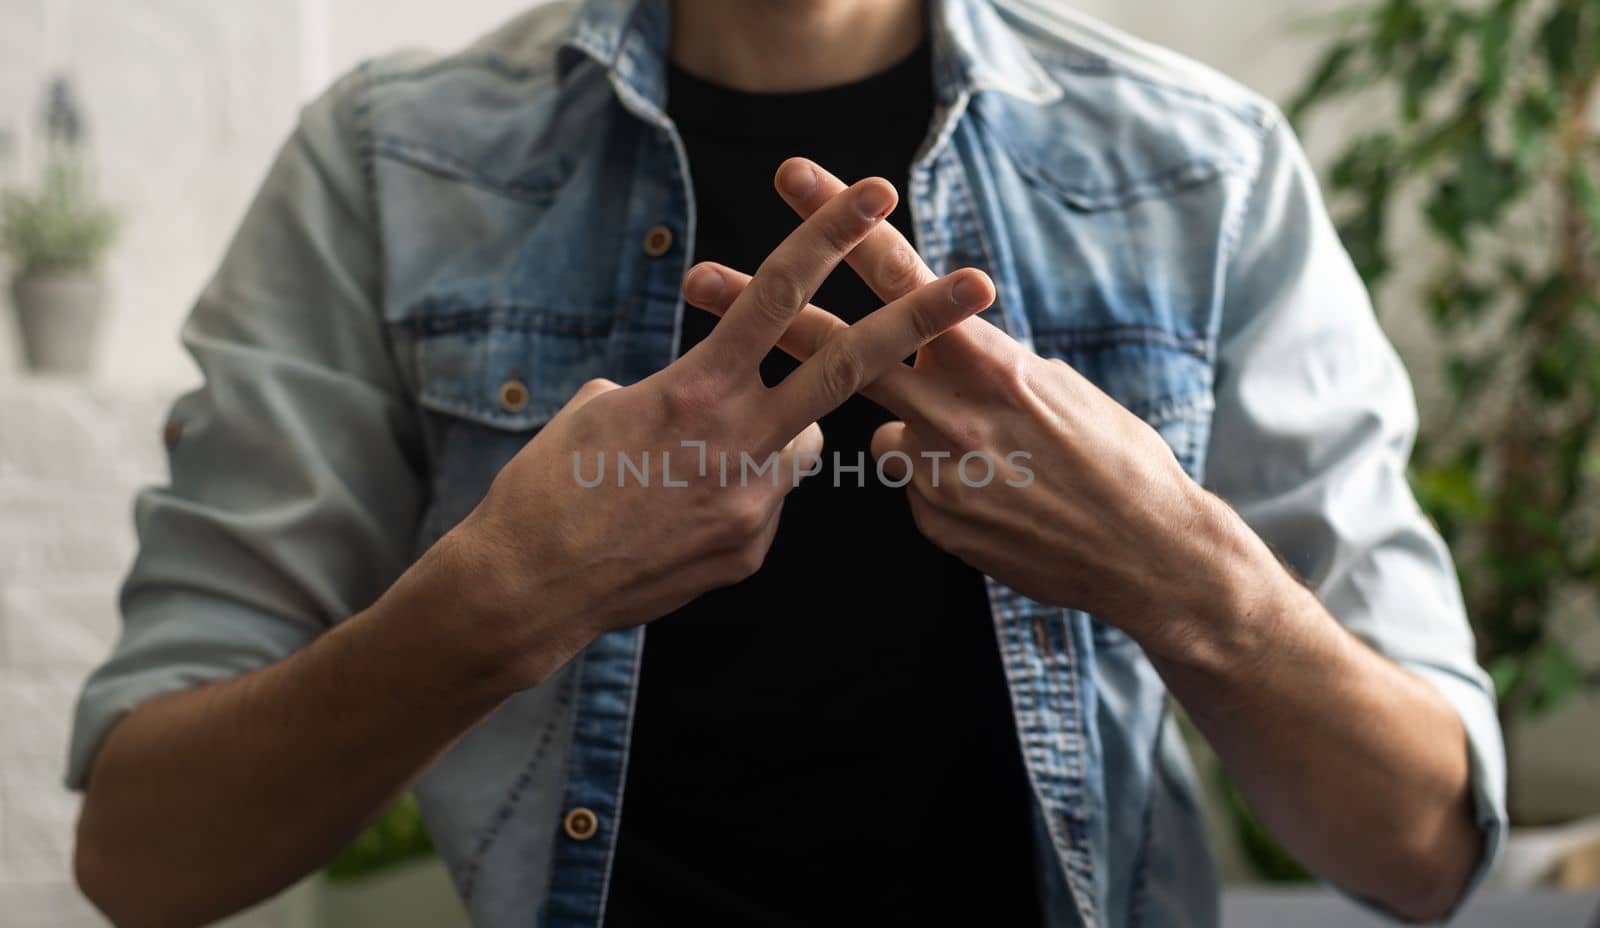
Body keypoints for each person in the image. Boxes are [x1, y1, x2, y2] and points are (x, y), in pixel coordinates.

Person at [68, 1, 1507, 925]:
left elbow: (1426, 845)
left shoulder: (1205, 170)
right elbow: (147, 854)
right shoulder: (389, 167)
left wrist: (1182, 574)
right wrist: (495, 608)